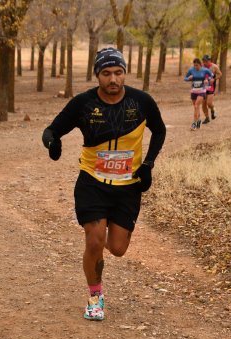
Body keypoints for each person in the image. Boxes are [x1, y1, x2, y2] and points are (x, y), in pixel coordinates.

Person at [41, 48, 166, 321]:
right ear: (97, 75)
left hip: (128, 185)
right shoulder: (83, 104)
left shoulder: (141, 102)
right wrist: (53, 143)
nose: (113, 79)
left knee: (118, 248)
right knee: (95, 240)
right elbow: (51, 130)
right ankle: (94, 298)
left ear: (125, 74)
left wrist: (148, 165)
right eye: (106, 73)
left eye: (118, 73)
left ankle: (103, 236)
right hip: (92, 182)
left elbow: (160, 130)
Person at [184, 58, 213, 131]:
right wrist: (189, 78)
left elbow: (212, 76)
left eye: (196, 65)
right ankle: (198, 123)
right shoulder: (191, 70)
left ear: (200, 64)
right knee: (196, 107)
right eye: (194, 65)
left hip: (202, 90)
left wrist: (207, 79)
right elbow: (185, 78)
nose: (195, 67)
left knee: (197, 105)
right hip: (194, 91)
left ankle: (194, 124)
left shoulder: (205, 70)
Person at [201, 55, 222, 123]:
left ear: (209, 61)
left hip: (211, 87)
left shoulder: (214, 67)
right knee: (203, 104)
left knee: (209, 103)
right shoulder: (201, 67)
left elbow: (220, 74)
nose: (204, 62)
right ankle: (207, 118)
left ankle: (213, 109)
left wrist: (214, 79)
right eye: (203, 61)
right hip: (203, 87)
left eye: (206, 61)